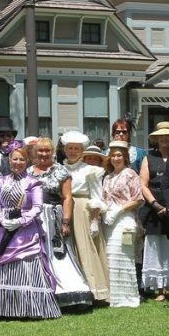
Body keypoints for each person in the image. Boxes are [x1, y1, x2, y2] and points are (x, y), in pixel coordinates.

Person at [0, 147, 61, 319]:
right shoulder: (0, 181)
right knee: (5, 266)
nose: (18, 163)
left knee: (28, 266)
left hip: (26, 231)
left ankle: (32, 308)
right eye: (15, 159)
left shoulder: (33, 182)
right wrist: (1, 220)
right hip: (4, 229)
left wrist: (20, 221)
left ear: (27, 161)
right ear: (9, 160)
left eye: (21, 160)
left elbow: (37, 207)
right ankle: (5, 309)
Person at [28, 137, 93, 310]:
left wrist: (65, 222)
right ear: (34, 152)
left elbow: (67, 198)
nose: (43, 154)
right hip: (33, 220)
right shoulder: (28, 172)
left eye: (47, 150)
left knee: (59, 255)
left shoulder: (61, 171)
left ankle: (69, 294)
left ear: (53, 152)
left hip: (53, 218)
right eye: (40, 151)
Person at [60, 130, 110, 303]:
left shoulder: (90, 170)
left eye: (76, 148)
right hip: (62, 210)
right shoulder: (59, 169)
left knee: (85, 248)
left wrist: (95, 220)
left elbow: (97, 196)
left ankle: (95, 290)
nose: (73, 151)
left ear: (82, 151)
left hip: (82, 210)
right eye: (70, 148)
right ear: (64, 149)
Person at [101, 141, 144, 307]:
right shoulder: (107, 177)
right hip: (109, 220)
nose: (116, 158)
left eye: (119, 155)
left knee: (123, 255)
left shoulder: (131, 174)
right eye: (113, 155)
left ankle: (128, 297)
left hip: (125, 219)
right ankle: (113, 296)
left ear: (125, 157)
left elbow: (138, 199)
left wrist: (119, 210)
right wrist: (106, 212)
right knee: (110, 257)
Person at [140, 122, 169, 301]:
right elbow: (143, 184)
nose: (164, 139)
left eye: (168, 137)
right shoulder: (149, 158)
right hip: (153, 207)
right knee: (155, 246)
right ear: (156, 139)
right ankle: (159, 289)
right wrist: (155, 204)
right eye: (161, 137)